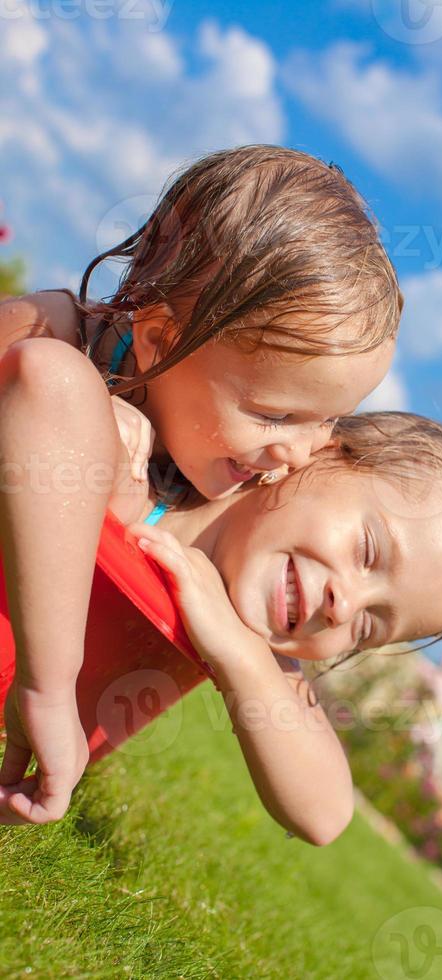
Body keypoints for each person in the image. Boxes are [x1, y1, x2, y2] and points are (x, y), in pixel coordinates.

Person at [0, 146, 402, 830]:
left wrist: (240, 652)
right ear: (157, 337)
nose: (300, 452)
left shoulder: (233, 521)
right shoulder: (62, 335)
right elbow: (38, 383)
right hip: (38, 686)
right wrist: (50, 680)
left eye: (329, 420)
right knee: (53, 383)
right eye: (277, 415)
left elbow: (326, 816)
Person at [0, 412, 442, 845]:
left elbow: (325, 814)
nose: (344, 603)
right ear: (321, 452)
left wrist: (237, 654)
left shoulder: (245, 639)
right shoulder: (138, 465)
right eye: (367, 550)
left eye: (368, 626)